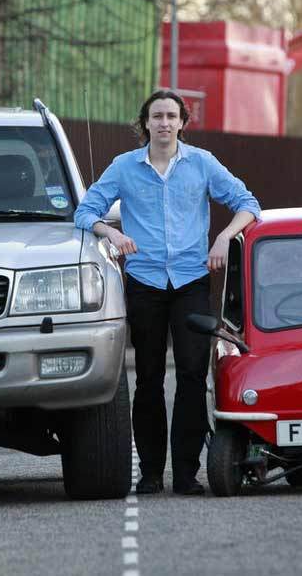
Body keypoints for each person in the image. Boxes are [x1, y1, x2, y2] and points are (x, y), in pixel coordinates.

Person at [74, 90, 261, 495]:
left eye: (171, 116)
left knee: (193, 377)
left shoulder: (202, 164)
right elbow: (84, 212)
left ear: (182, 123)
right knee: (149, 379)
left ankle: (188, 473)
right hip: (145, 284)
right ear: (145, 123)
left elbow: (248, 204)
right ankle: (152, 473)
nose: (163, 123)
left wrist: (224, 240)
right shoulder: (124, 167)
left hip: (192, 280)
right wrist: (113, 232)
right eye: (156, 116)